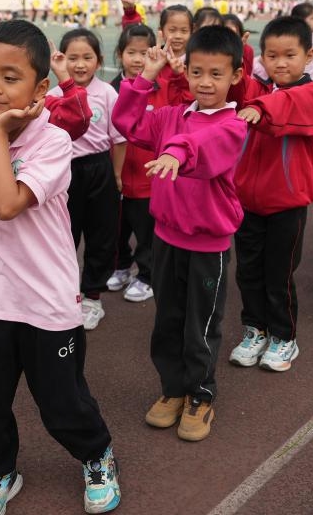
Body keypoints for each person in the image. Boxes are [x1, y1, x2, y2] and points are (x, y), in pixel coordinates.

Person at [0, 20, 121, 515]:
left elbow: (7, 203)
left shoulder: (53, 143)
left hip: (48, 298)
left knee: (61, 400)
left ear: (40, 89)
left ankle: (97, 453)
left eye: (9, 77)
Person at [112, 26, 247, 442]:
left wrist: (174, 152)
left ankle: (200, 395)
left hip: (209, 247)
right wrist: (145, 79)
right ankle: (172, 388)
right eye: (197, 72)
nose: (206, 82)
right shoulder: (171, 115)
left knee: (202, 324)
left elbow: (204, 148)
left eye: (217, 74)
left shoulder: (234, 125)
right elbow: (127, 123)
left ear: (235, 77)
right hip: (167, 239)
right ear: (185, 72)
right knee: (168, 321)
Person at [230, 17, 313, 370]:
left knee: (279, 274)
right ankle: (255, 329)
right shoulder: (258, 88)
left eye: (289, 55)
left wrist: (259, 108)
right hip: (249, 203)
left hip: (286, 205)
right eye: (272, 55)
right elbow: (235, 88)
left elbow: (286, 106)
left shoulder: (310, 93)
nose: (280, 63)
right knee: (248, 271)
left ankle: (284, 337)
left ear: (309, 55)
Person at [47, 29, 126, 330]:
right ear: (60, 59)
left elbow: (118, 139)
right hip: (63, 172)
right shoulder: (52, 96)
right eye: (72, 58)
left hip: (99, 169)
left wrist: (116, 174)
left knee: (101, 235)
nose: (80, 65)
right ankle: (66, 296)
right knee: (64, 235)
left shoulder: (107, 93)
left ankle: (92, 296)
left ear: (99, 60)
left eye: (87, 58)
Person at [107, 24, 190, 302]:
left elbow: (187, 106)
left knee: (146, 233)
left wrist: (179, 76)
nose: (138, 59)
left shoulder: (164, 86)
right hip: (119, 176)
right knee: (117, 229)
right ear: (120, 54)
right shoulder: (113, 89)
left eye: (145, 53)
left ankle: (147, 275)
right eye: (132, 52)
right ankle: (121, 266)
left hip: (148, 181)